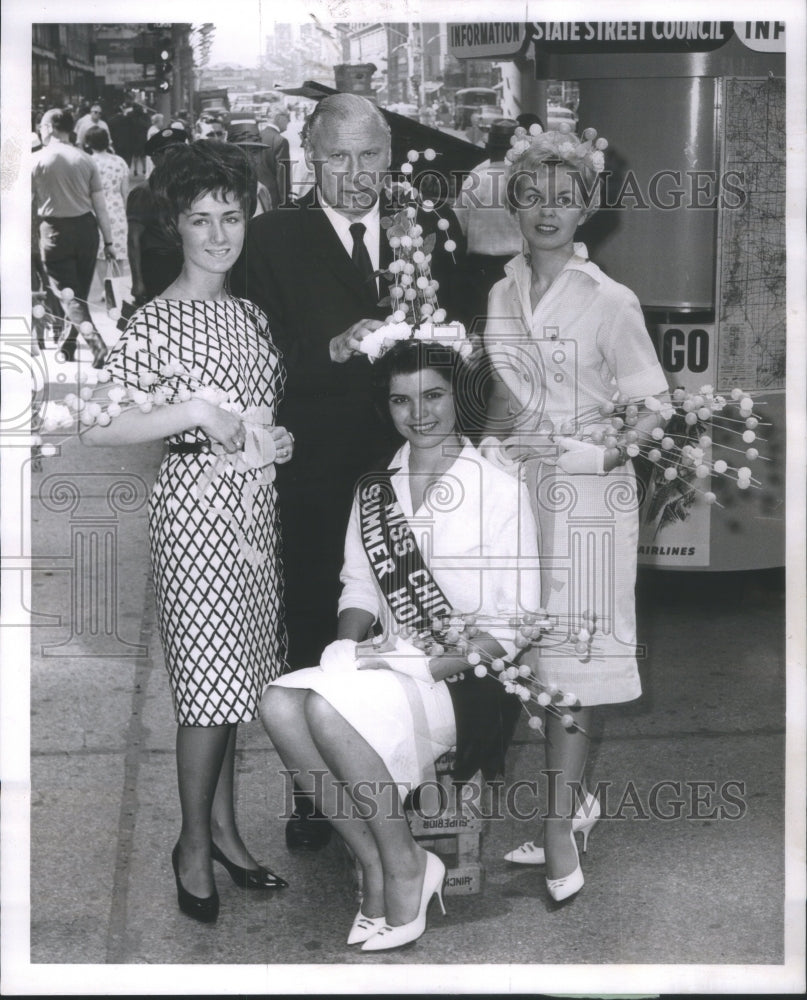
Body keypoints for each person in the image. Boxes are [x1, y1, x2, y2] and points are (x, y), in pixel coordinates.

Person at [230, 93, 467, 846]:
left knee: (417, 626)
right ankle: (315, 798)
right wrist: (328, 351)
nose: (357, 172)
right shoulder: (270, 240)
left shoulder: (423, 230)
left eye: (370, 155)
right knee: (313, 623)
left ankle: (409, 785)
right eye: (338, 156)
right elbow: (249, 365)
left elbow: (457, 340)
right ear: (311, 156)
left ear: (388, 156)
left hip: (416, 467)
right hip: (315, 479)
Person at [261, 337, 540, 950]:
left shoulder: (497, 487)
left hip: (466, 679)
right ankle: (376, 857)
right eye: (401, 400)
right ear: (385, 407)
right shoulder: (376, 488)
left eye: (433, 395)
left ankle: (403, 866)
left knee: (326, 711)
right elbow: (359, 584)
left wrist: (426, 664)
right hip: (388, 663)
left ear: (458, 396)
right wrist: (344, 645)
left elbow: (514, 627)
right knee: (279, 704)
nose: (419, 413)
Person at [83, 140, 294, 923]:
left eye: (230, 216)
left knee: (236, 685)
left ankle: (230, 836)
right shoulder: (154, 321)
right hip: (196, 520)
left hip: (252, 516)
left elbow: (256, 416)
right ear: (175, 224)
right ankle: (192, 846)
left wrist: (273, 440)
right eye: (200, 218)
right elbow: (99, 425)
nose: (217, 234)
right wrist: (197, 414)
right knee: (206, 694)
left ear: (248, 218)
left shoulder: (250, 312)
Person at [481, 127, 669, 903]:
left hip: (589, 505)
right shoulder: (499, 291)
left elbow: (651, 411)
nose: (546, 211)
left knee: (571, 676)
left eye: (564, 198)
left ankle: (559, 829)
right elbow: (499, 398)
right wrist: (480, 458)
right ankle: (576, 800)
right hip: (513, 506)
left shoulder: (611, 301)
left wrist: (579, 454)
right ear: (513, 203)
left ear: (587, 208)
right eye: (531, 196)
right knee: (524, 666)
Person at [31, 107, 117, 364]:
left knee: (69, 295)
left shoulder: (36, 160)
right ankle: (67, 345)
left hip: (55, 232)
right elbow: (100, 206)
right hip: (87, 231)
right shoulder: (85, 159)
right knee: (77, 293)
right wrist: (109, 241)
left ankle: (97, 346)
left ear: (48, 128)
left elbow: (25, 205)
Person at [453, 118, 523, 330]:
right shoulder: (525, 181)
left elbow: (458, 225)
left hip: (479, 271)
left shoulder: (475, 179)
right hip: (516, 267)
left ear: (490, 149)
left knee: (480, 330)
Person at [127, 126, 189, 304]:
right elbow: (133, 239)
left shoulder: (187, 186)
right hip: (158, 266)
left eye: (179, 151)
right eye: (169, 153)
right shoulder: (143, 193)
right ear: (155, 158)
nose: (176, 157)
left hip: (186, 263)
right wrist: (137, 281)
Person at [83, 125, 129, 291]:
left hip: (96, 211)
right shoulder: (120, 162)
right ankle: (119, 288)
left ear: (89, 143)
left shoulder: (87, 162)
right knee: (119, 252)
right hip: (117, 212)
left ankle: (105, 289)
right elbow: (125, 192)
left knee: (100, 255)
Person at [258, 101, 291, 207]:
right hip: (274, 200)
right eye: (287, 117)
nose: (289, 121)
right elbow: (283, 178)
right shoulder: (280, 141)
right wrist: (286, 204)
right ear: (278, 118)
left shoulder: (256, 137)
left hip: (257, 198)